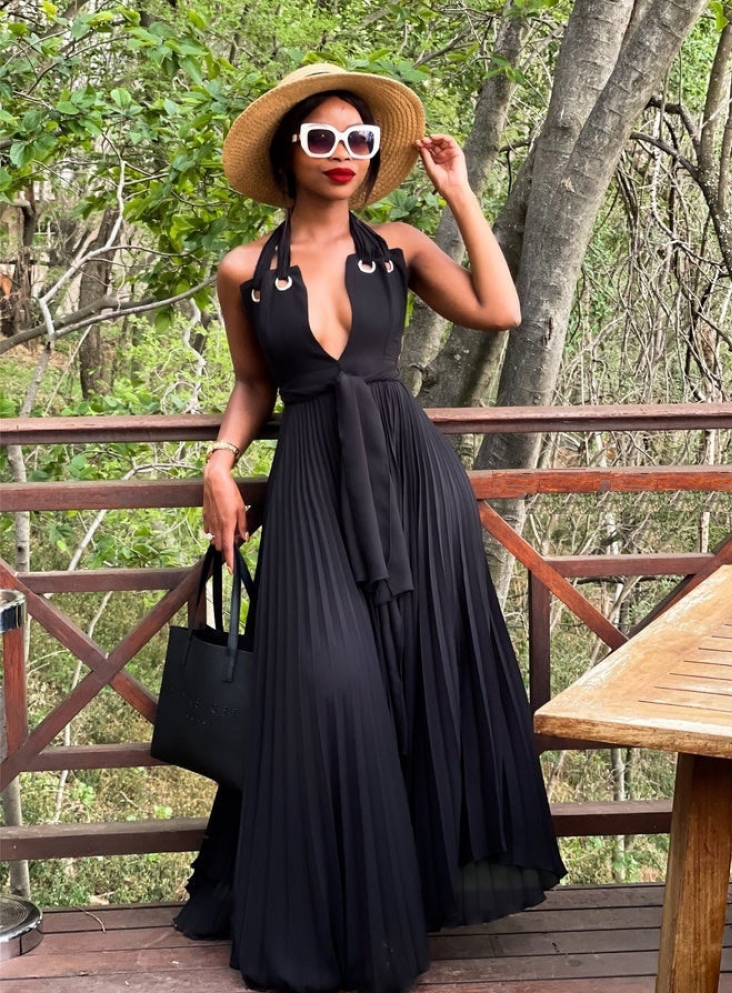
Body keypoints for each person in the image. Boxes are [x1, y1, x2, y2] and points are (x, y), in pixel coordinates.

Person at [175, 62, 566, 993]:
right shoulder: (244, 270)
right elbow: (254, 383)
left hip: (414, 487)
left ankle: (403, 907)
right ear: (289, 155)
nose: (344, 153)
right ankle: (334, 922)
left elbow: (501, 310)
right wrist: (220, 462)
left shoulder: (398, 247)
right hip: (311, 490)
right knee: (329, 687)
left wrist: (459, 191)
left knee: (416, 684)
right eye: (323, 138)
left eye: (359, 138)